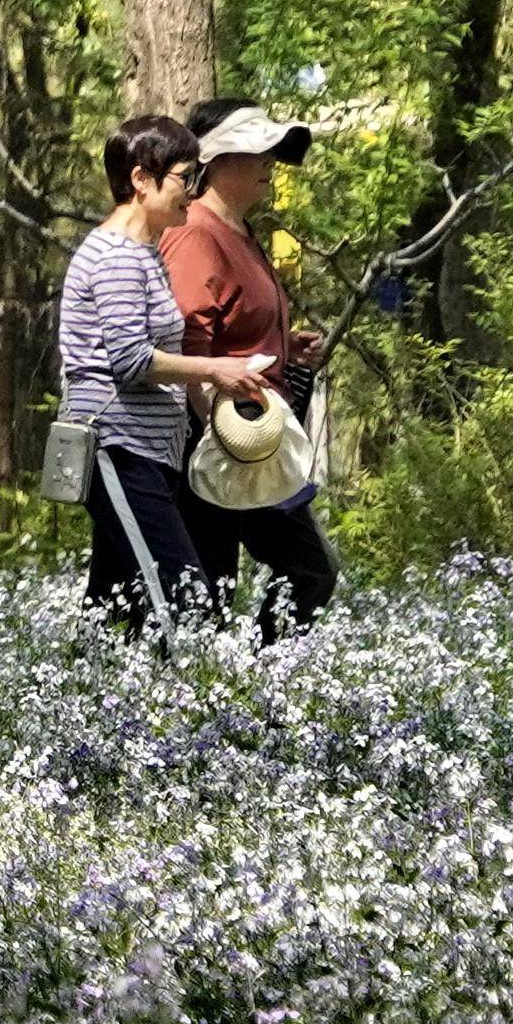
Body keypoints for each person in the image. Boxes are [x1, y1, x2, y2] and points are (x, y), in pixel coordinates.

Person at [57, 113, 275, 631]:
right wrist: (217, 370)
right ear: (140, 179)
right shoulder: (115, 258)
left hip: (148, 452)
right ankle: (199, 706)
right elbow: (131, 360)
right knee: (183, 599)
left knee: (116, 610)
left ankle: (81, 703)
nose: (193, 192)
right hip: (118, 450)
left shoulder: (145, 255)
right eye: (185, 178)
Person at [170, 101, 338, 634]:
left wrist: (285, 347)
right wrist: (219, 435)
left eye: (271, 150)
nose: (270, 161)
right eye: (256, 149)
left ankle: (244, 700)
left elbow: (230, 327)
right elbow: (192, 344)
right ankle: (251, 698)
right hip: (227, 437)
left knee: (213, 590)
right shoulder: (197, 233)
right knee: (303, 570)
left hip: (251, 432)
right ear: (215, 160)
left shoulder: (237, 231)